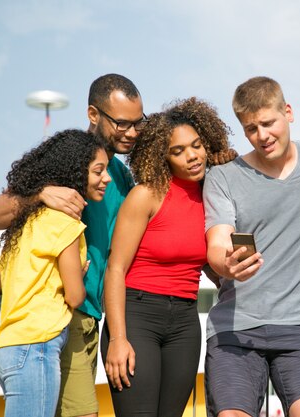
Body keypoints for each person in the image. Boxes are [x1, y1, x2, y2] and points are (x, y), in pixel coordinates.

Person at [0, 74, 145, 417]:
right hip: (62, 315)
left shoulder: (117, 175)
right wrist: (40, 193)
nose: (132, 132)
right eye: (122, 123)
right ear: (93, 114)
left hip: (92, 316)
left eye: (138, 123)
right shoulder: (68, 167)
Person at [202, 76, 300, 417]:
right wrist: (226, 264)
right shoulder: (223, 177)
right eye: (251, 128)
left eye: (268, 123)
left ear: (288, 112)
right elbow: (217, 240)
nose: (262, 136)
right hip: (236, 328)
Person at [100, 97, 236, 417]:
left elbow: (211, 264)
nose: (192, 156)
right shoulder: (146, 194)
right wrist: (118, 339)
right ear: (162, 157)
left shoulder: (213, 196)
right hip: (137, 316)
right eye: (178, 151)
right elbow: (116, 269)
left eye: (197, 145)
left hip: (185, 322)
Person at [0, 129, 111, 417]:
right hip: (37, 346)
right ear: (75, 173)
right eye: (98, 171)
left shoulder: (23, 226)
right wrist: (77, 272)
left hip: (6, 348)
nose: (107, 178)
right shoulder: (65, 225)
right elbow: (76, 296)